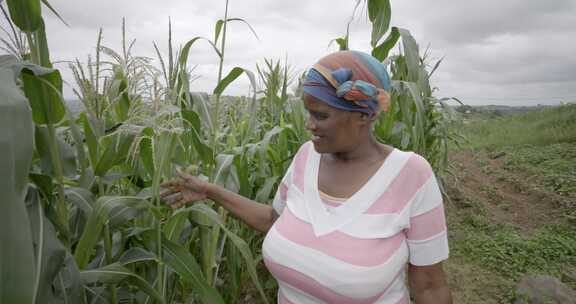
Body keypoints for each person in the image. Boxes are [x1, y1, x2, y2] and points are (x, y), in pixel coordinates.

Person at [161, 50, 452, 304]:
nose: (309, 125)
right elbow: (275, 220)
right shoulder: (305, 157)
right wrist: (210, 191)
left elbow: (429, 286)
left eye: (321, 115)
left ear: (364, 115)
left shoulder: (411, 175)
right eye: (307, 113)